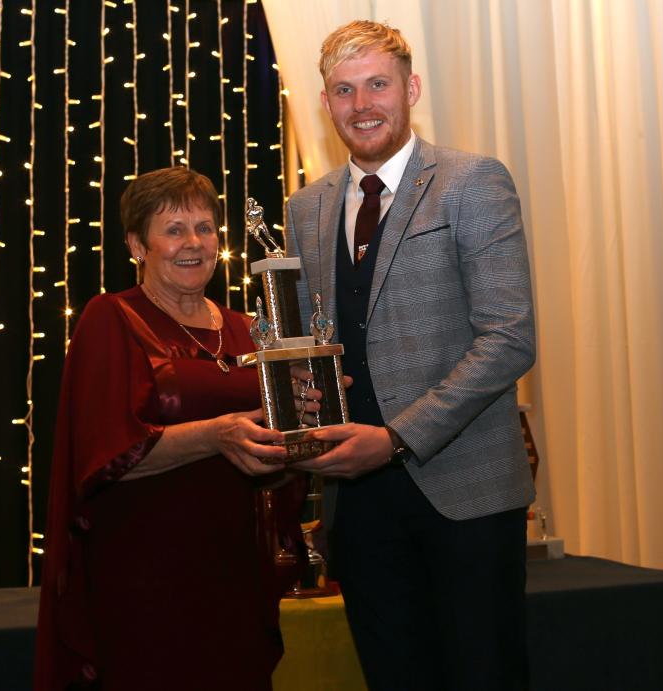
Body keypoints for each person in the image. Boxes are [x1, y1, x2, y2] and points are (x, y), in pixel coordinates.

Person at [286, 20, 537, 691]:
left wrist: (396, 437)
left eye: (376, 84)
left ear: (411, 88)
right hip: (357, 503)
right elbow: (311, 337)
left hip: (465, 494)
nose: (360, 103)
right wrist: (302, 383)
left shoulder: (470, 182)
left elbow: (509, 335)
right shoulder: (305, 208)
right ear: (326, 102)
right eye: (343, 90)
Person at [34, 167, 306, 690]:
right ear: (138, 244)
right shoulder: (110, 318)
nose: (194, 244)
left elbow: (271, 454)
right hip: (145, 579)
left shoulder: (246, 328)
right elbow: (103, 454)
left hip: (233, 572)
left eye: (205, 228)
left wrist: (301, 424)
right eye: (174, 229)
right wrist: (215, 435)